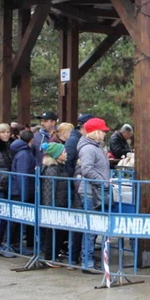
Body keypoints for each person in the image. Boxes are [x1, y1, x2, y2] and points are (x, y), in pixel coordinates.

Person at [77, 118, 111, 274]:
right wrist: (103, 182)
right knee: (91, 229)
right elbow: (87, 170)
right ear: (96, 132)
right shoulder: (89, 149)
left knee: (93, 228)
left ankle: (88, 260)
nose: (105, 134)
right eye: (103, 131)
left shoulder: (94, 147)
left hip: (94, 191)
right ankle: (87, 261)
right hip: (91, 192)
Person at [63, 113, 92, 265]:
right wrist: (73, 183)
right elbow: (69, 163)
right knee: (79, 222)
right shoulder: (74, 140)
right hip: (78, 186)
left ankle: (77, 255)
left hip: (78, 185)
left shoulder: (78, 139)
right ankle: (74, 256)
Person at [40, 142, 68, 267]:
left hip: (61, 203)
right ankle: (50, 257)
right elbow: (48, 190)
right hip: (54, 206)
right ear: (57, 155)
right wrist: (49, 208)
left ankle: (55, 254)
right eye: (64, 152)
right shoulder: (51, 170)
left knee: (59, 232)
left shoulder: (60, 167)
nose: (66, 153)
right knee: (52, 232)